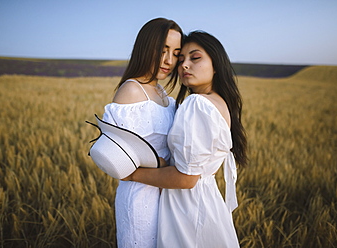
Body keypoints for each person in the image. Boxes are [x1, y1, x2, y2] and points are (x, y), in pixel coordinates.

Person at [123, 31, 248, 247]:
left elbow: (186, 178)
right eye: (181, 60)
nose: (184, 65)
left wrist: (132, 175)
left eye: (195, 58)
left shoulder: (197, 104)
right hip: (208, 200)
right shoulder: (220, 103)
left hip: (186, 211)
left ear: (216, 64)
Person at [101, 18, 182, 247]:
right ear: (146, 47)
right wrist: (162, 163)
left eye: (176, 53)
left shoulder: (160, 91)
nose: (169, 60)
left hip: (166, 195)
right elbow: (118, 160)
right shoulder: (131, 91)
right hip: (140, 200)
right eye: (163, 50)